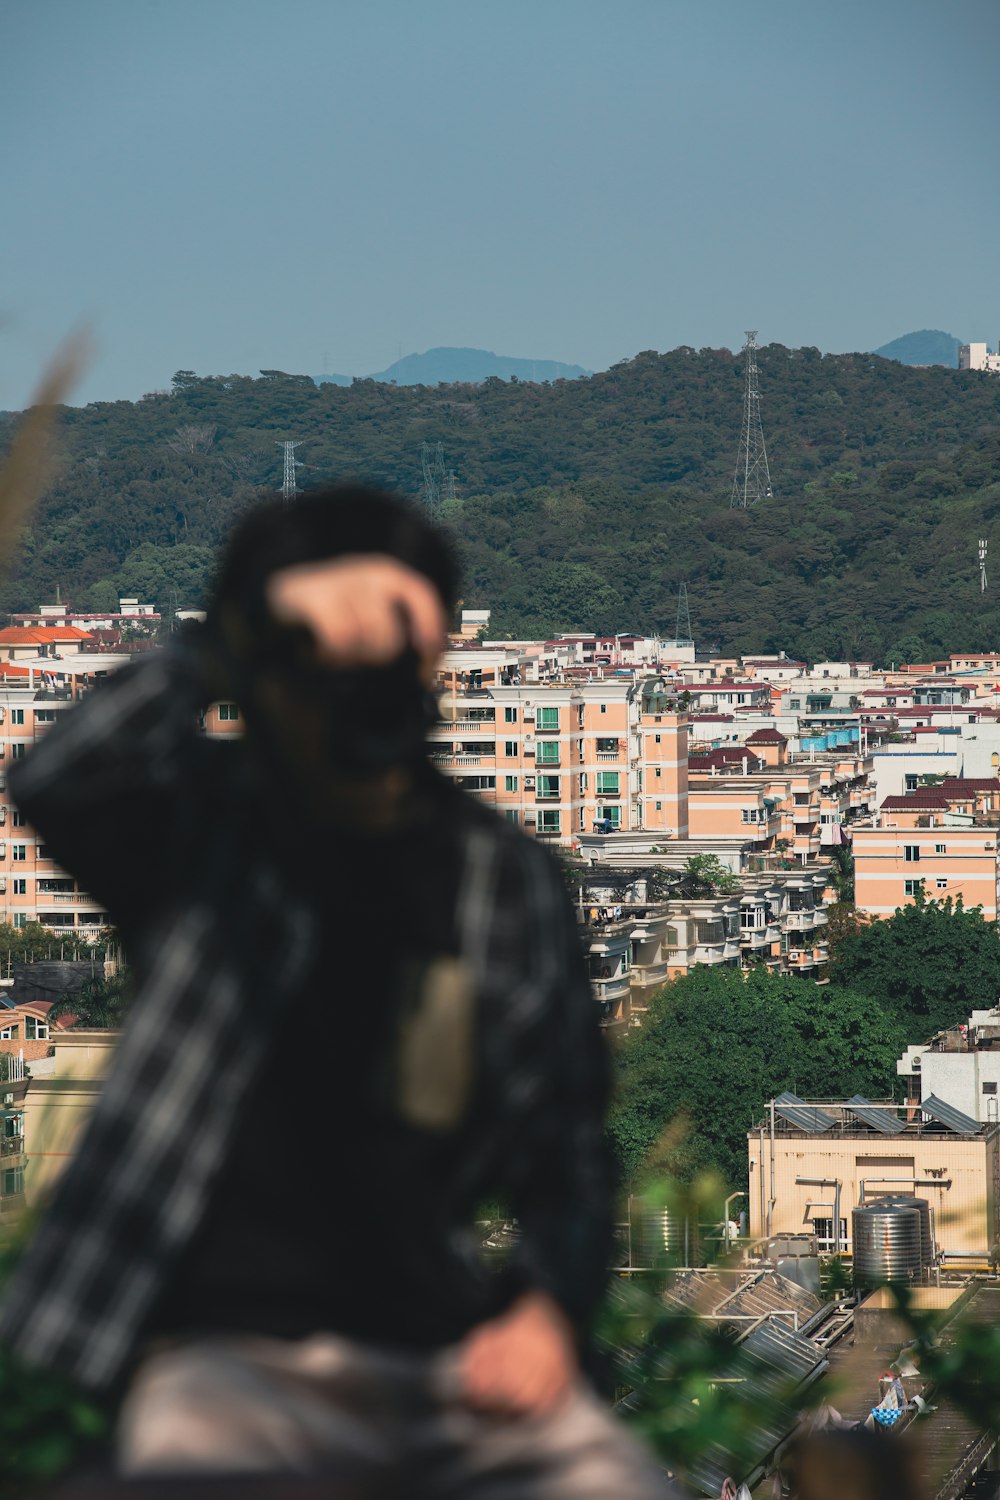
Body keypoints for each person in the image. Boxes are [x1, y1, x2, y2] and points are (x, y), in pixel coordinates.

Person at [0, 487, 673, 1496]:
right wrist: (230, 640)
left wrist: (542, 1307)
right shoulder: (210, 838)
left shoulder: (495, 877)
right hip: (212, 1343)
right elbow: (60, 777)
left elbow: (561, 1142)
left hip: (433, 1337)